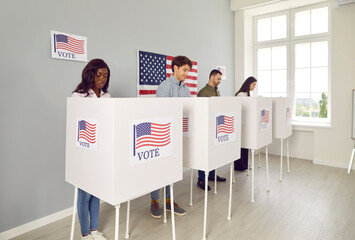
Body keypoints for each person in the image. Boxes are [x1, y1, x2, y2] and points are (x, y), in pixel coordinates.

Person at [72, 59, 110, 240]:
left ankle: (94, 230)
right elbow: (77, 127)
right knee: (85, 194)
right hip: (85, 152)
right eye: (99, 75)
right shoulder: (78, 96)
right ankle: (85, 234)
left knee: (96, 193)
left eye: (105, 75)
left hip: (102, 152)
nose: (102, 79)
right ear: (91, 74)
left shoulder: (107, 97)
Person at [150, 55, 193, 219]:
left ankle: (169, 201)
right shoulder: (164, 86)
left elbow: (187, 111)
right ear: (175, 68)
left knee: (173, 169)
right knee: (159, 170)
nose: (186, 73)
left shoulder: (186, 89)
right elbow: (161, 114)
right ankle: (155, 201)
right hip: (163, 135)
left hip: (178, 134)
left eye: (188, 70)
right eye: (184, 70)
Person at [196, 69, 227, 191]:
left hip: (215, 127)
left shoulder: (217, 92)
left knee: (213, 152)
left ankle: (212, 175)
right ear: (212, 77)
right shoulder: (203, 93)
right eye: (218, 79)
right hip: (205, 127)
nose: (220, 81)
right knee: (203, 154)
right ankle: (201, 179)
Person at [234, 76, 257, 171]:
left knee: (245, 145)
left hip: (246, 123)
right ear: (248, 84)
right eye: (253, 84)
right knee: (241, 145)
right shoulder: (240, 95)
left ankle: (245, 165)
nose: (254, 87)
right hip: (240, 123)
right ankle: (239, 166)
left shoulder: (247, 95)